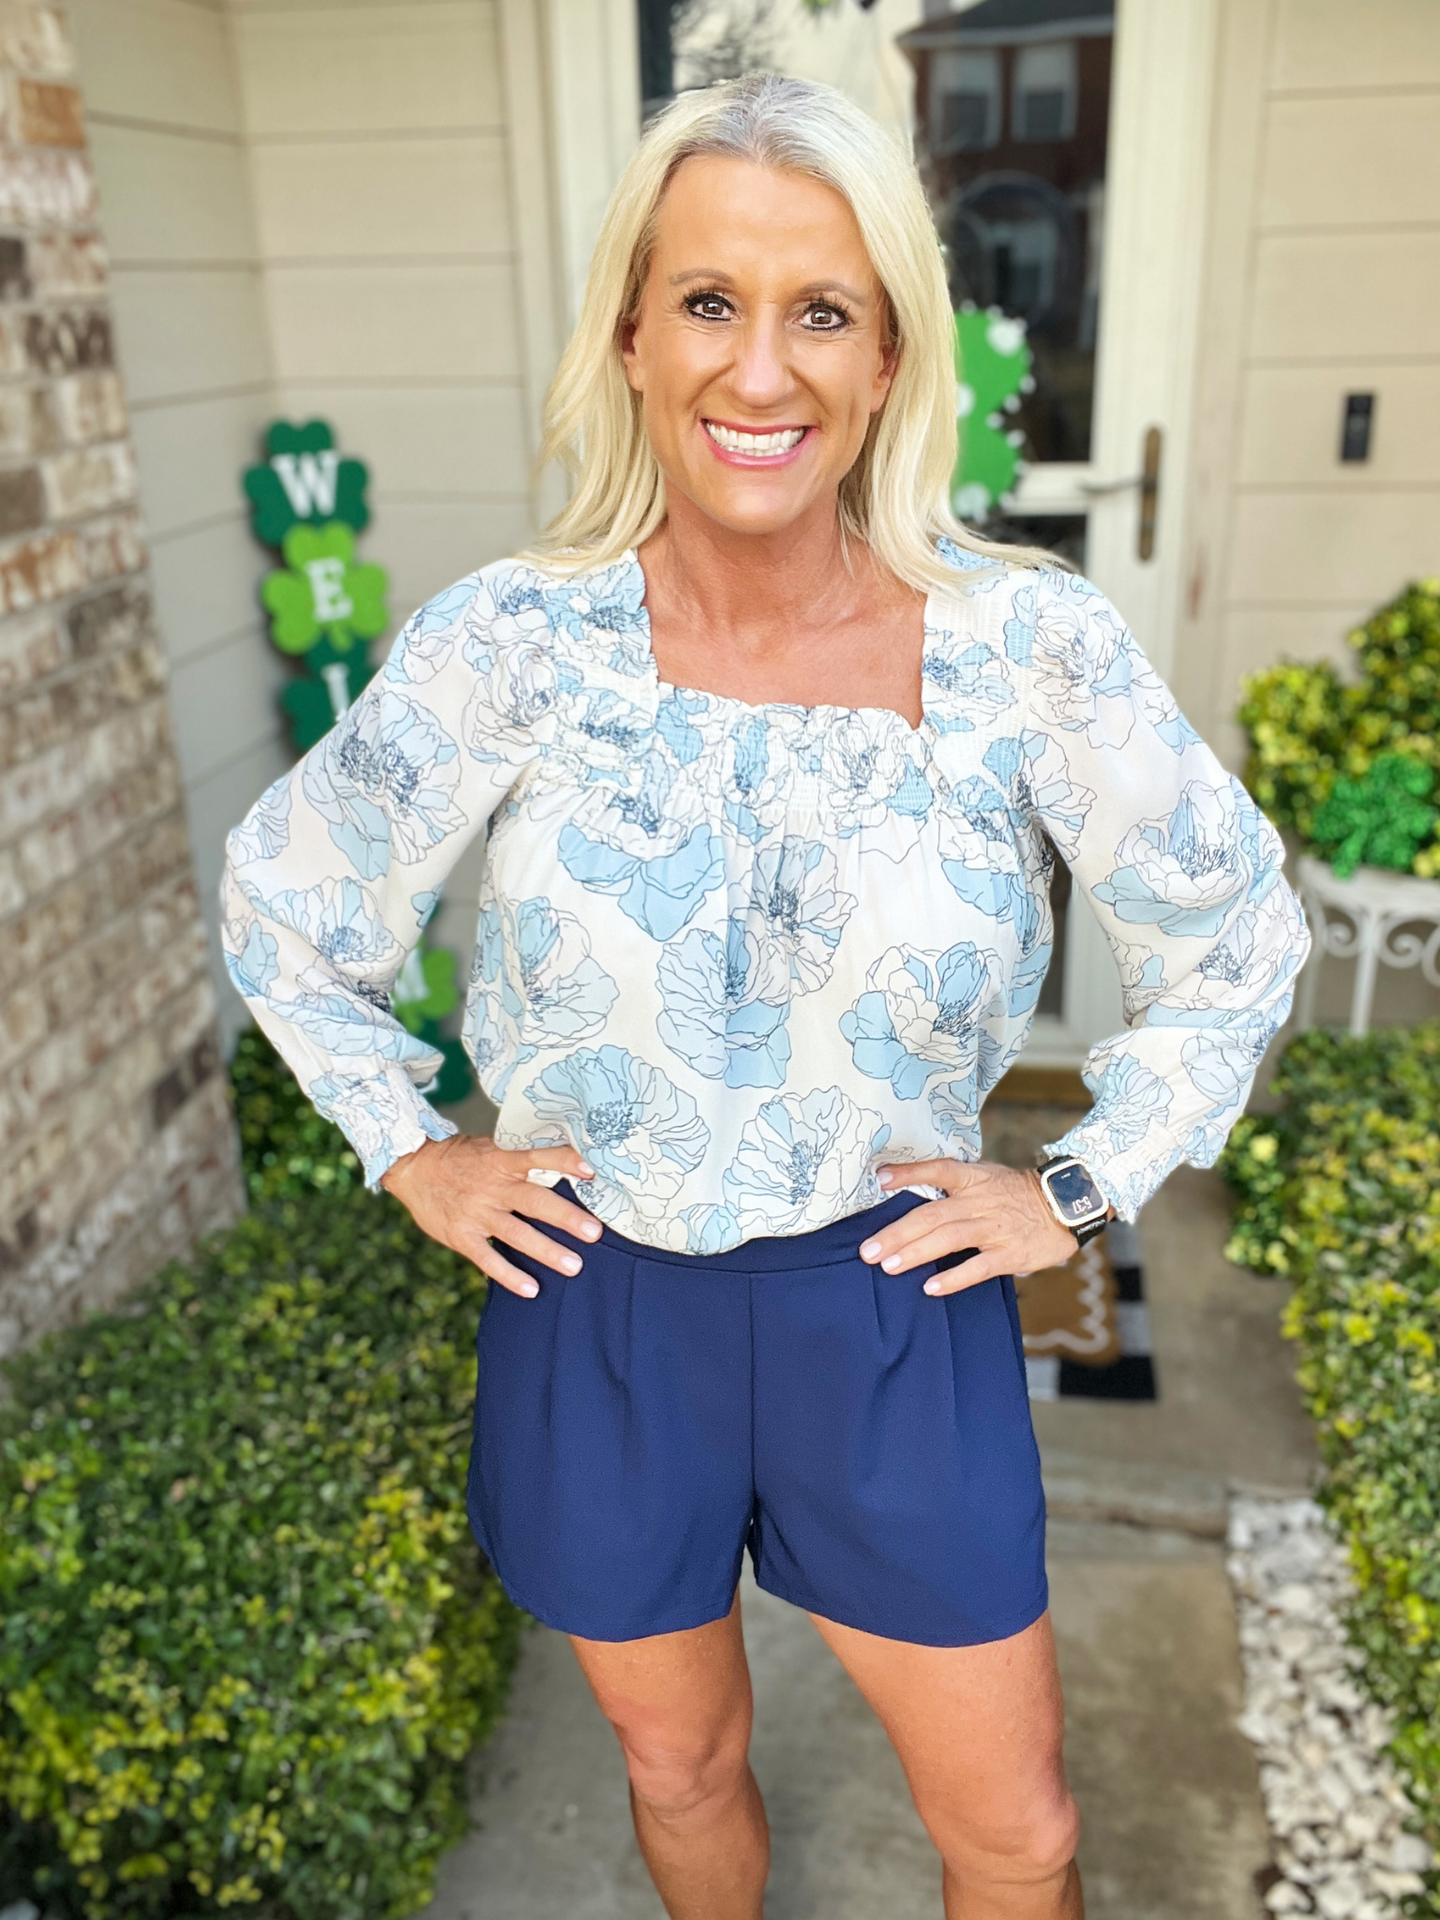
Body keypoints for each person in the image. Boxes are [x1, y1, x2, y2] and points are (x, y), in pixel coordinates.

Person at [223, 75, 1308, 1920]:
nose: (760, 368)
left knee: (1022, 1832)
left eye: (821, 311)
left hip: (888, 1300)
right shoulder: (515, 642)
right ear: (632, 338)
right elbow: (288, 896)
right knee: (679, 1761)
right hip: (596, 1298)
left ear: (888, 359)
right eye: (710, 301)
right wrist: (412, 1149)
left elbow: (1238, 934)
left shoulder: (1026, 649)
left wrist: (1074, 1186)